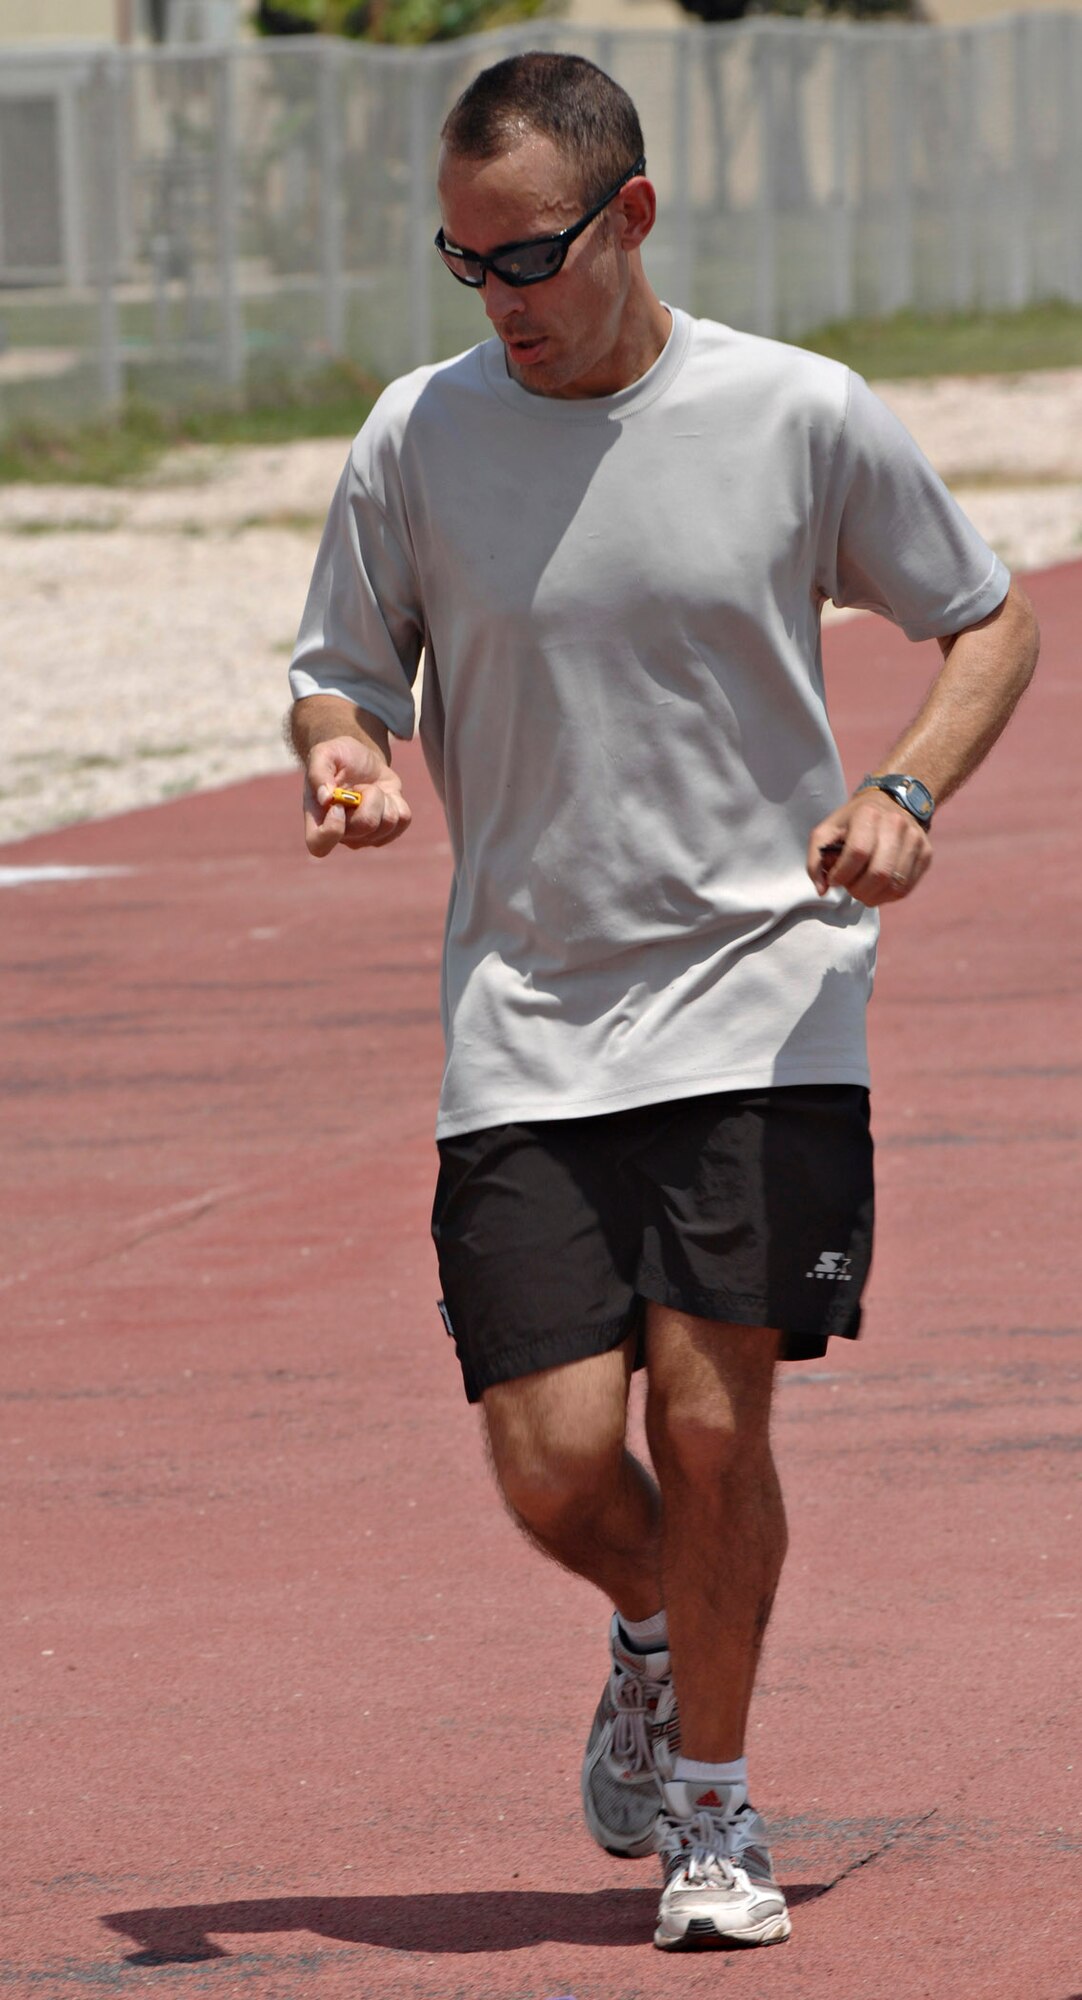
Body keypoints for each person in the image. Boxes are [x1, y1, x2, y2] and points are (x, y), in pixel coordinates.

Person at [286, 51, 1038, 1952]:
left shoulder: (793, 412)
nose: (501, 300)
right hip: (524, 1016)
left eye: (528, 256)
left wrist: (905, 790)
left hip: (762, 1001)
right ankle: (646, 1628)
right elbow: (336, 667)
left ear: (625, 218)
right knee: (553, 1463)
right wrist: (341, 755)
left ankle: (714, 1805)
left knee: (712, 1433)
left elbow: (988, 617)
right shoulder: (418, 435)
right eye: (464, 264)